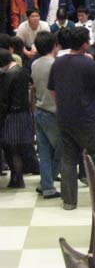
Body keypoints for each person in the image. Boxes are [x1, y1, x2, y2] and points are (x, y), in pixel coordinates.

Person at [48, 26, 95, 210]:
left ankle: (69, 201)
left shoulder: (58, 62)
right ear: (84, 44)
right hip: (86, 117)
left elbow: (52, 90)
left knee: (68, 158)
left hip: (64, 116)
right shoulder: (87, 63)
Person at [31, 32, 61, 198]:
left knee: (44, 152)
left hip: (40, 109)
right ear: (54, 45)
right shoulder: (56, 64)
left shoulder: (35, 64)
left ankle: (47, 185)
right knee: (62, 150)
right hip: (54, 112)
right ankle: (47, 183)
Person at [0, 48, 34, 188]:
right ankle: (17, 178)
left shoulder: (9, 75)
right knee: (17, 149)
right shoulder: (22, 71)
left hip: (12, 116)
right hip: (22, 114)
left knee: (12, 149)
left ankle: (17, 179)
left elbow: (4, 99)